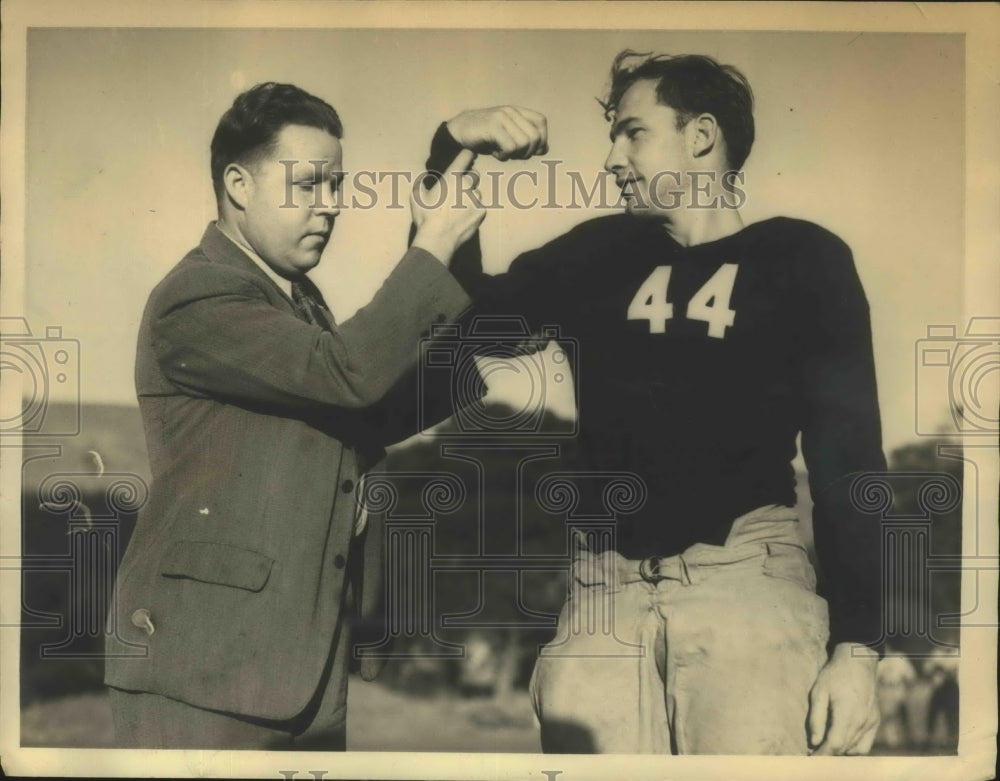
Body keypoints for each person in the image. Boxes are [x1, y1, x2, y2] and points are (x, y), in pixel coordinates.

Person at [425, 51, 887, 755]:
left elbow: (849, 462)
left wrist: (858, 650)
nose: (612, 157)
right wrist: (450, 150)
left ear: (701, 136)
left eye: (633, 132)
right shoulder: (598, 253)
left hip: (746, 590)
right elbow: (460, 327)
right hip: (603, 598)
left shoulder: (802, 259)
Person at [103, 82, 484, 749]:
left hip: (297, 669)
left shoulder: (299, 303)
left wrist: (444, 167)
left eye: (336, 185)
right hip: (204, 675)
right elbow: (353, 371)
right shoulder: (197, 297)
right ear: (238, 183)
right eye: (308, 185)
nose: (331, 206)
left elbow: (377, 402)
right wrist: (433, 251)